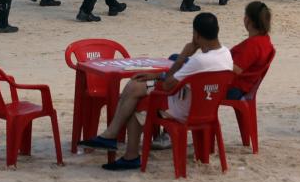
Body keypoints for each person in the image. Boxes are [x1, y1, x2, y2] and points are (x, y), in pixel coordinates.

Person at [80, 12, 233, 171]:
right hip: (207, 108)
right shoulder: (226, 54)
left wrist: (183, 56)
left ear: (196, 34)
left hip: (181, 109)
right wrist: (157, 76)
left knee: (137, 100)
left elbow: (167, 86)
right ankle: (112, 137)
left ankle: (123, 148)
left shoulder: (198, 61)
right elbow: (175, 80)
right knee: (136, 86)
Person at [229, 1, 275, 100]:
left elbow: (236, 69)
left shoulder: (252, 45)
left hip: (234, 88)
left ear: (248, 20)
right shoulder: (265, 40)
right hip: (246, 86)